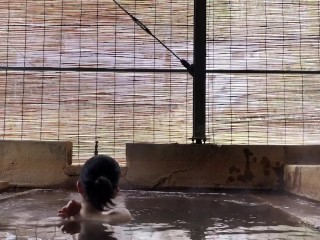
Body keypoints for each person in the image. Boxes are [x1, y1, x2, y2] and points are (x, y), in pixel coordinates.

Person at [58, 154, 132, 225]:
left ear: (79, 187)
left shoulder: (65, 220)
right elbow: (125, 214)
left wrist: (81, 208)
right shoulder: (115, 219)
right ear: (115, 191)